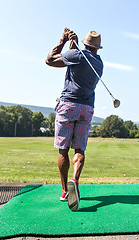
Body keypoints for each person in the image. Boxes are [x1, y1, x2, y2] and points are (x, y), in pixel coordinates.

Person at [45, 28, 103, 211]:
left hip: (68, 105)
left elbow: (50, 60)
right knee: (80, 149)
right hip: (87, 108)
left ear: (85, 44)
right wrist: (74, 44)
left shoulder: (78, 55)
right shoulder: (99, 62)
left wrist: (62, 40)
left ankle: (64, 191)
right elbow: (73, 61)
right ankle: (75, 181)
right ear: (98, 48)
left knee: (63, 150)